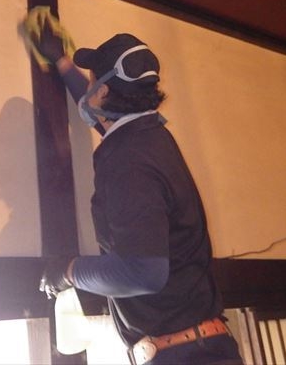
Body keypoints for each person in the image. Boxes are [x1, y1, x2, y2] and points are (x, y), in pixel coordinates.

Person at [34, 24, 243, 365]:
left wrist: (68, 272)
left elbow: (142, 272)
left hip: (183, 357)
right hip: (197, 348)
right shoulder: (147, 136)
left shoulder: (128, 160)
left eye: (93, 80)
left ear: (103, 91)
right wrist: (61, 61)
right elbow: (98, 114)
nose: (89, 88)